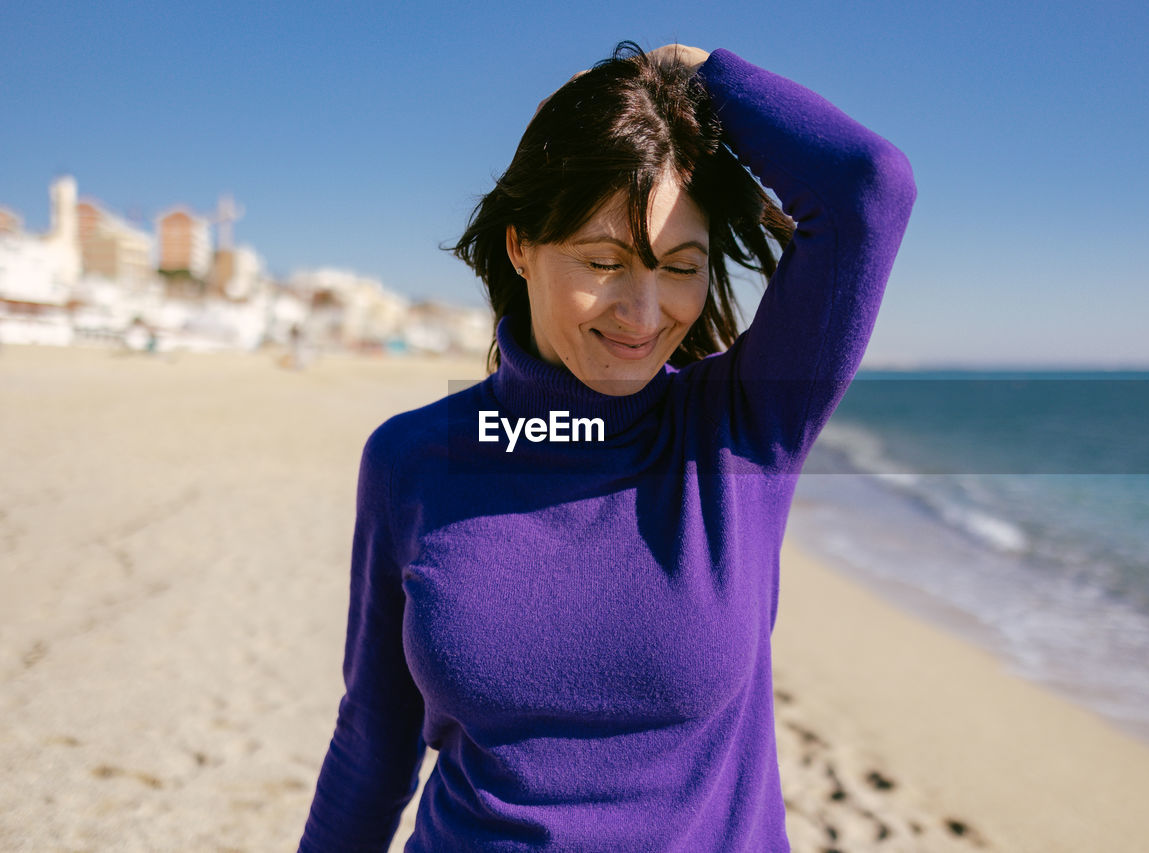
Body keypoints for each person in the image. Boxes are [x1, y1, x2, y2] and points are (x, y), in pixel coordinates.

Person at [297, 41, 915, 852]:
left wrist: (690, 74)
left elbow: (868, 189)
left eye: (681, 267)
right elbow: (373, 744)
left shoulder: (742, 429)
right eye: (604, 261)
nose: (644, 312)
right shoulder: (413, 458)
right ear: (521, 245)